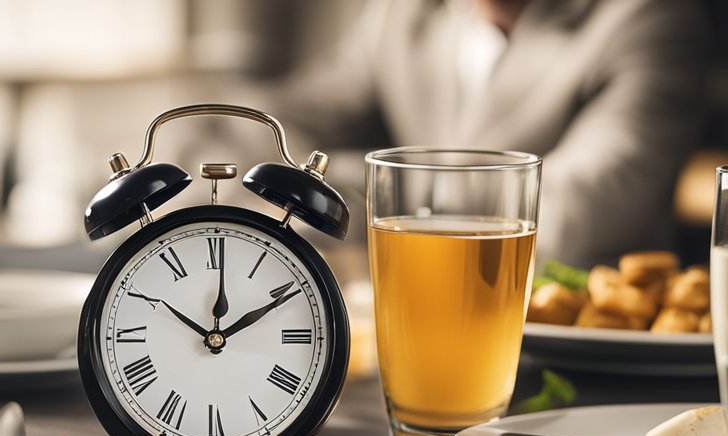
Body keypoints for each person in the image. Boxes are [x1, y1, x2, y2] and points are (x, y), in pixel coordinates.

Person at [265, 0, 710, 268]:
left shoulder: (651, 18)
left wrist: (351, 186)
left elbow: (574, 214)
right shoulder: (405, 12)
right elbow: (274, 125)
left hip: (588, 355)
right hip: (422, 327)